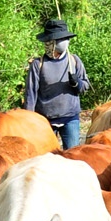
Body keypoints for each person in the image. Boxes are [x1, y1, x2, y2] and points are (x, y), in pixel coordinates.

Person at [24, 19, 90, 148]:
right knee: (45, 155)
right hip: (45, 120)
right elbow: (30, 95)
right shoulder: (38, 64)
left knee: (72, 155)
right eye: (47, 41)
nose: (47, 45)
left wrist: (76, 83)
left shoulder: (74, 61)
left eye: (50, 42)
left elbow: (85, 86)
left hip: (70, 118)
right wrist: (29, 121)